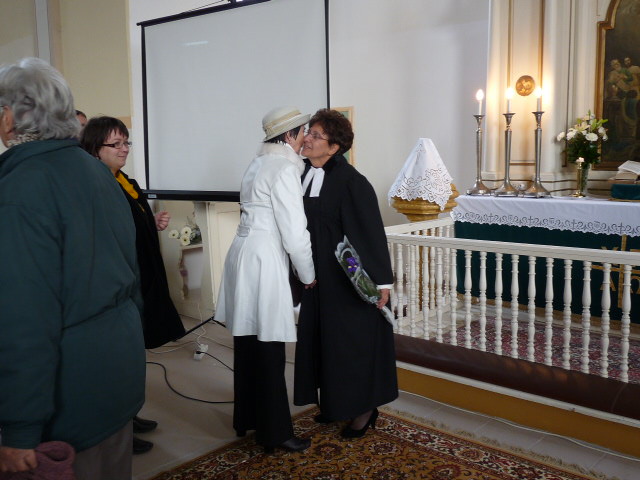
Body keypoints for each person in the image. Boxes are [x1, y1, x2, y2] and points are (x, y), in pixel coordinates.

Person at [0, 57, 145, 479]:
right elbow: (130, 276)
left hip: (67, 394)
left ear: (9, 118)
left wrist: (19, 427)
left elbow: (24, 320)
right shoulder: (98, 173)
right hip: (117, 374)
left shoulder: (20, 190)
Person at [79, 116, 186, 455]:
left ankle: (130, 415)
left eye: (127, 142)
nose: (124, 149)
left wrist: (150, 222)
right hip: (120, 281)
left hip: (141, 273)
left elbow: (129, 223)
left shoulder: (125, 181)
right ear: (95, 149)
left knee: (133, 352)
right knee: (117, 358)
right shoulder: (94, 186)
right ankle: (118, 428)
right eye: (116, 144)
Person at [215, 106, 316, 453]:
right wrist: (308, 274)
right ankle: (275, 433)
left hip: (242, 253)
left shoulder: (257, 163)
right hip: (264, 258)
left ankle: (246, 418)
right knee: (270, 347)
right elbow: (295, 233)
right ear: (288, 135)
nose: (306, 138)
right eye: (303, 131)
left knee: (247, 343)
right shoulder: (284, 169)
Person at [293, 108, 398, 438]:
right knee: (324, 344)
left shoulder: (353, 182)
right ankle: (336, 404)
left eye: (316, 135)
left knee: (350, 346)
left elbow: (370, 234)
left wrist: (381, 282)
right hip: (315, 279)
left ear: (334, 147)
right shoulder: (300, 173)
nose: (307, 139)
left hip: (346, 281)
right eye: (308, 132)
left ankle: (365, 409)